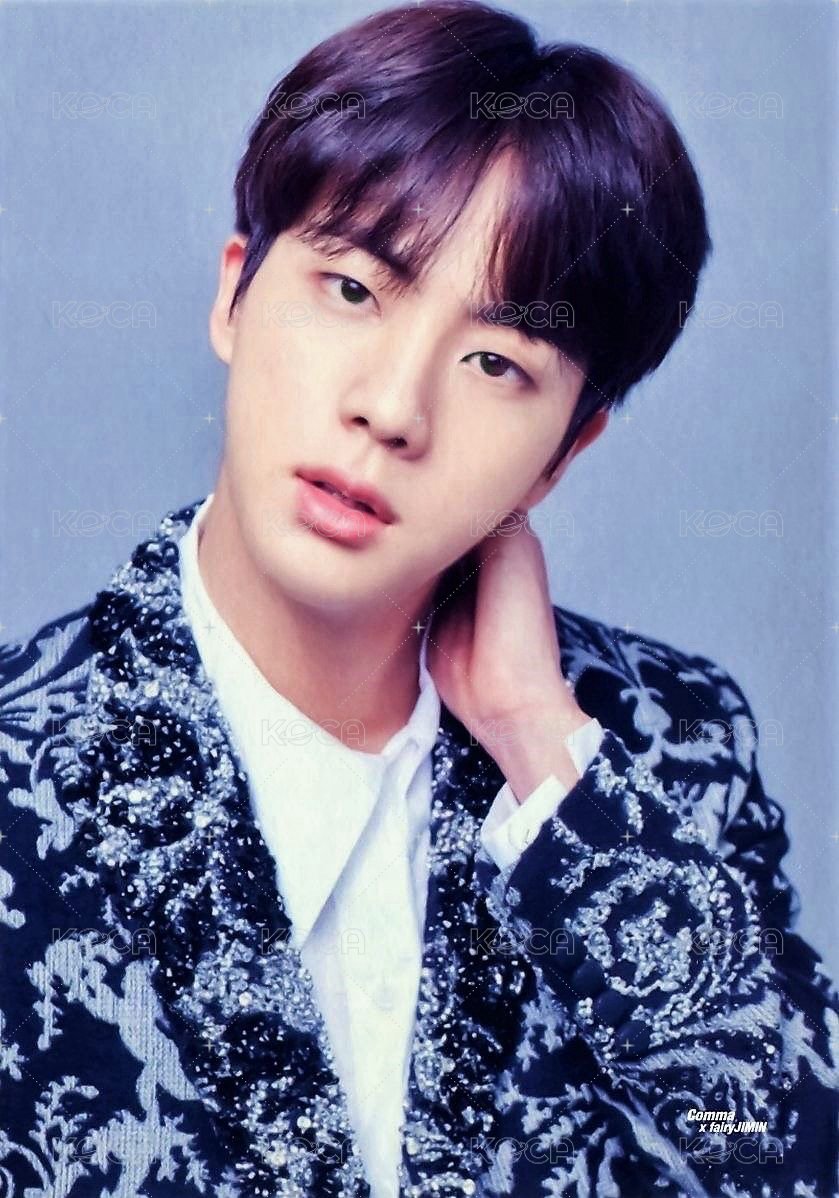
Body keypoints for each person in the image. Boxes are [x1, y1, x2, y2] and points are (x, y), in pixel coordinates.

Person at [1, 2, 836, 1196]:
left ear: (563, 452)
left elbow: (779, 1160)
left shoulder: (668, 753)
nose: (391, 408)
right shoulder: (20, 776)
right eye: (350, 289)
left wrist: (539, 747)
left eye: (495, 362)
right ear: (235, 296)